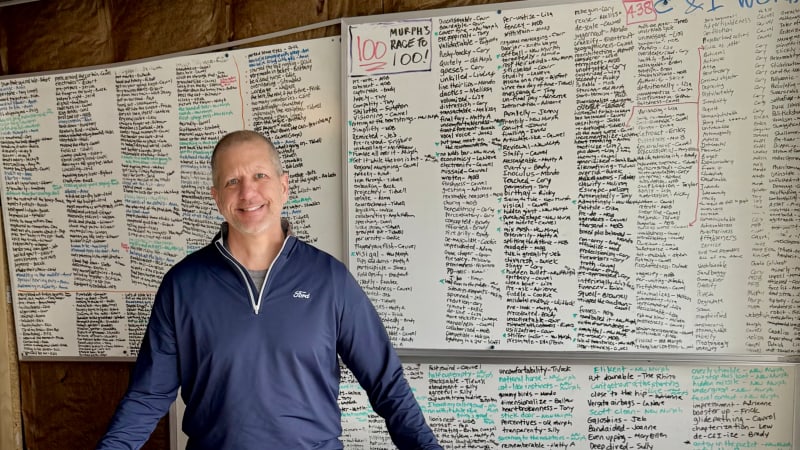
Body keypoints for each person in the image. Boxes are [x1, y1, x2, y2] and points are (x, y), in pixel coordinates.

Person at [97, 130, 442, 449]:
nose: (248, 193)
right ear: (217, 197)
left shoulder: (329, 280)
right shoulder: (182, 285)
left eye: (260, 176)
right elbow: (147, 397)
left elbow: (387, 384)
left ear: (284, 186)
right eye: (233, 181)